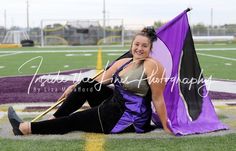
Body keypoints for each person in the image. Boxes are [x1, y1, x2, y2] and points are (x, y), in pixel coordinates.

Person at [8, 27, 172, 135]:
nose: (139, 49)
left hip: (129, 118)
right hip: (114, 105)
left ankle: (24, 129)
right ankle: (54, 120)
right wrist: (75, 87)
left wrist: (165, 126)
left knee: (75, 121)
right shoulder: (124, 62)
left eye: (144, 46)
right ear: (131, 45)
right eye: (137, 44)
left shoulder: (153, 66)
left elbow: (158, 99)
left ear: (150, 49)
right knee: (86, 84)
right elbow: (99, 81)